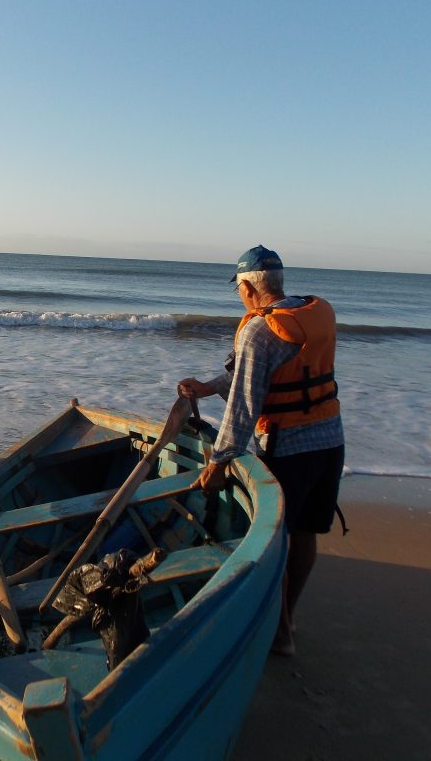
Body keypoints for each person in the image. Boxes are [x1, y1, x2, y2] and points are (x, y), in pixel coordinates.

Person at [178, 245, 344, 656]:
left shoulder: (258, 329)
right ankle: (289, 617)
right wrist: (209, 386)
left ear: (251, 289)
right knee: (305, 533)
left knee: (277, 542)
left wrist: (219, 461)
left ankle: (281, 632)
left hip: (288, 450)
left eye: (239, 289)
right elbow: (250, 373)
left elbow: (245, 405)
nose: (239, 296)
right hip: (329, 442)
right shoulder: (312, 314)